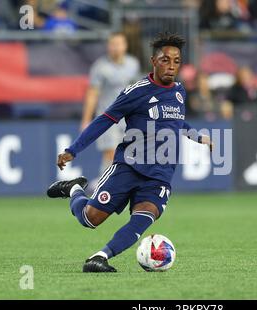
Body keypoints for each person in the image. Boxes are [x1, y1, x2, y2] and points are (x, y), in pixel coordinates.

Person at [47, 32, 213, 273]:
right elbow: (104, 120)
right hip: (128, 167)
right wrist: (73, 150)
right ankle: (73, 189)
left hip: (160, 174)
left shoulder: (179, 91)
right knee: (90, 219)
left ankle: (100, 257)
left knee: (144, 217)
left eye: (176, 61)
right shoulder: (137, 92)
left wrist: (196, 136)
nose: (171, 66)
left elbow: (175, 122)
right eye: (165, 60)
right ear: (154, 61)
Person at [80, 32, 140, 185]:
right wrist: (86, 119)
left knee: (127, 152)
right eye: (113, 44)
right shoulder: (100, 67)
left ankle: (109, 183)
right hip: (107, 117)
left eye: (119, 44)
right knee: (111, 151)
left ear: (125, 46)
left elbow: (137, 90)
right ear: (108, 46)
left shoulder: (133, 64)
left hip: (128, 117)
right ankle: (104, 184)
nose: (116, 48)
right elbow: (93, 93)